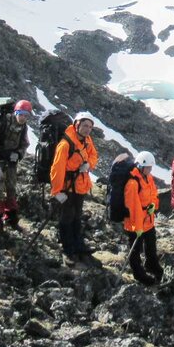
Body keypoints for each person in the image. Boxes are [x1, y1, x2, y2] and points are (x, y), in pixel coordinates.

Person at [50, 112, 100, 264]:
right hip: (67, 187)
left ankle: (79, 246)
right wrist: (57, 191)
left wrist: (88, 165)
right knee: (67, 217)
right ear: (77, 125)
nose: (87, 129)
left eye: (90, 127)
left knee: (77, 216)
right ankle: (68, 249)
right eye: (85, 125)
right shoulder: (65, 144)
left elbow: (94, 156)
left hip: (80, 186)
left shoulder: (86, 140)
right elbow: (56, 169)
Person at [0, 99, 32, 239]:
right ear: (16, 112)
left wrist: (18, 154)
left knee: (11, 189)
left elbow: (24, 144)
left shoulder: (24, 127)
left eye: (26, 115)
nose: (23, 118)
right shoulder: (1, 123)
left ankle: (11, 219)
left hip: (11, 163)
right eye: (22, 114)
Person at [124, 150, 163, 285]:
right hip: (135, 223)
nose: (150, 169)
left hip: (148, 220)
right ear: (140, 166)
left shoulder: (148, 178)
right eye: (148, 167)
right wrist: (137, 227)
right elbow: (133, 206)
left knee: (151, 245)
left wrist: (153, 205)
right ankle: (138, 273)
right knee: (135, 249)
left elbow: (153, 194)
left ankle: (152, 265)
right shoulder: (133, 183)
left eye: (151, 167)